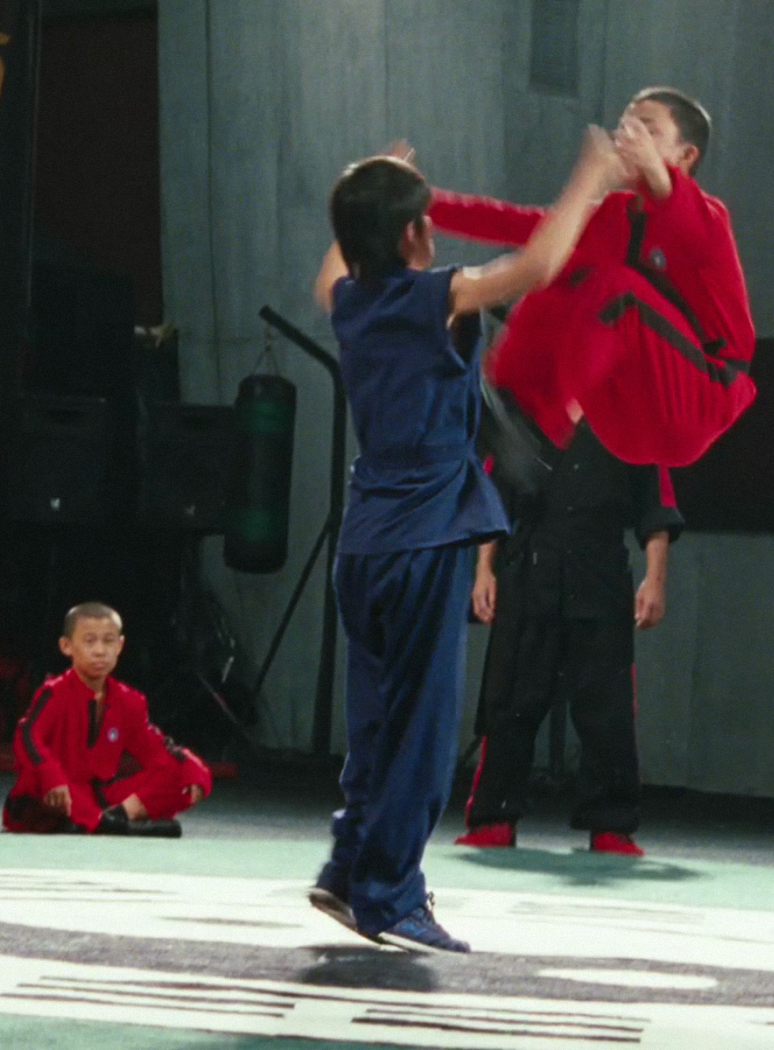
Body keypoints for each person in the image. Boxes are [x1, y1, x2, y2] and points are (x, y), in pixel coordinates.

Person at [305, 131, 625, 953]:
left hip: (364, 544)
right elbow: (537, 266)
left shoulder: (353, 301)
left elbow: (329, 270)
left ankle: (349, 866)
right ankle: (391, 894)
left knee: (376, 720)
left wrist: (374, 191)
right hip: (424, 538)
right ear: (415, 234)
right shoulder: (430, 297)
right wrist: (589, 174)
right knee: (422, 729)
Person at [427, 87, 756, 468]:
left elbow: (676, 207)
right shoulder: (608, 216)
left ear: (686, 156)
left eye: (647, 129)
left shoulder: (708, 220)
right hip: (626, 422)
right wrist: (422, 204)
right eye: (624, 126)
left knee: (615, 289)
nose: (628, 137)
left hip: (700, 397)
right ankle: (508, 416)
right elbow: (513, 223)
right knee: (555, 265)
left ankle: (537, 430)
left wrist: (652, 168)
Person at [457, 405, 683, 856]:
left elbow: (656, 508)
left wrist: (655, 580)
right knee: (508, 702)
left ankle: (610, 824)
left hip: (599, 578)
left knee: (608, 709)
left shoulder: (632, 416)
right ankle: (494, 817)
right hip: (529, 573)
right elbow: (494, 499)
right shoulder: (526, 413)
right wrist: (484, 571)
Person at [2, 603, 211, 837]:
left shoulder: (129, 701)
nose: (100, 651)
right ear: (66, 646)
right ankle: (114, 826)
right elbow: (28, 735)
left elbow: (158, 750)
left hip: (99, 797)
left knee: (181, 775)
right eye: (90, 641)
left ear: (120, 646)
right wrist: (51, 775)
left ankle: (116, 819)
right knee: (40, 782)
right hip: (54, 793)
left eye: (108, 641)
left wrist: (192, 768)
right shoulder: (53, 692)